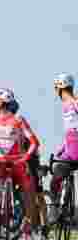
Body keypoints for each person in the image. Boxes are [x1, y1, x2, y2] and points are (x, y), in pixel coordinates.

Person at [0, 88, 47, 240]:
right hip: (5, 162)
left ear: (0, 103)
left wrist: (24, 158)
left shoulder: (18, 120)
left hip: (16, 163)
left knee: (29, 194)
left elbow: (34, 142)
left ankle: (27, 232)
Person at [49, 73, 78, 225]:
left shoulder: (73, 103)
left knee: (55, 178)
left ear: (59, 88)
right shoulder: (68, 104)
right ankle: (62, 206)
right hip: (70, 148)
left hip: (74, 152)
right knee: (59, 167)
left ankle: (54, 208)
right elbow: (71, 132)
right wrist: (61, 148)